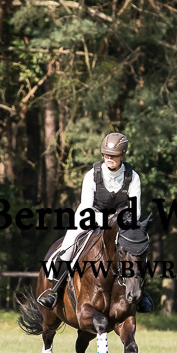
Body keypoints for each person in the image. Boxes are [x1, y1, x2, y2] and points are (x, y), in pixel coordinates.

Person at [37, 132, 154, 313]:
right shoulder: (92, 175)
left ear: (122, 156)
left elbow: (135, 211)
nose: (109, 158)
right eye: (106, 154)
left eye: (113, 155)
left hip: (122, 223)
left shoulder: (133, 177)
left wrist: (117, 222)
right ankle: (54, 290)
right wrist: (108, 220)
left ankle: (141, 293)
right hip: (90, 217)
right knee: (67, 246)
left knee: (139, 248)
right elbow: (86, 207)